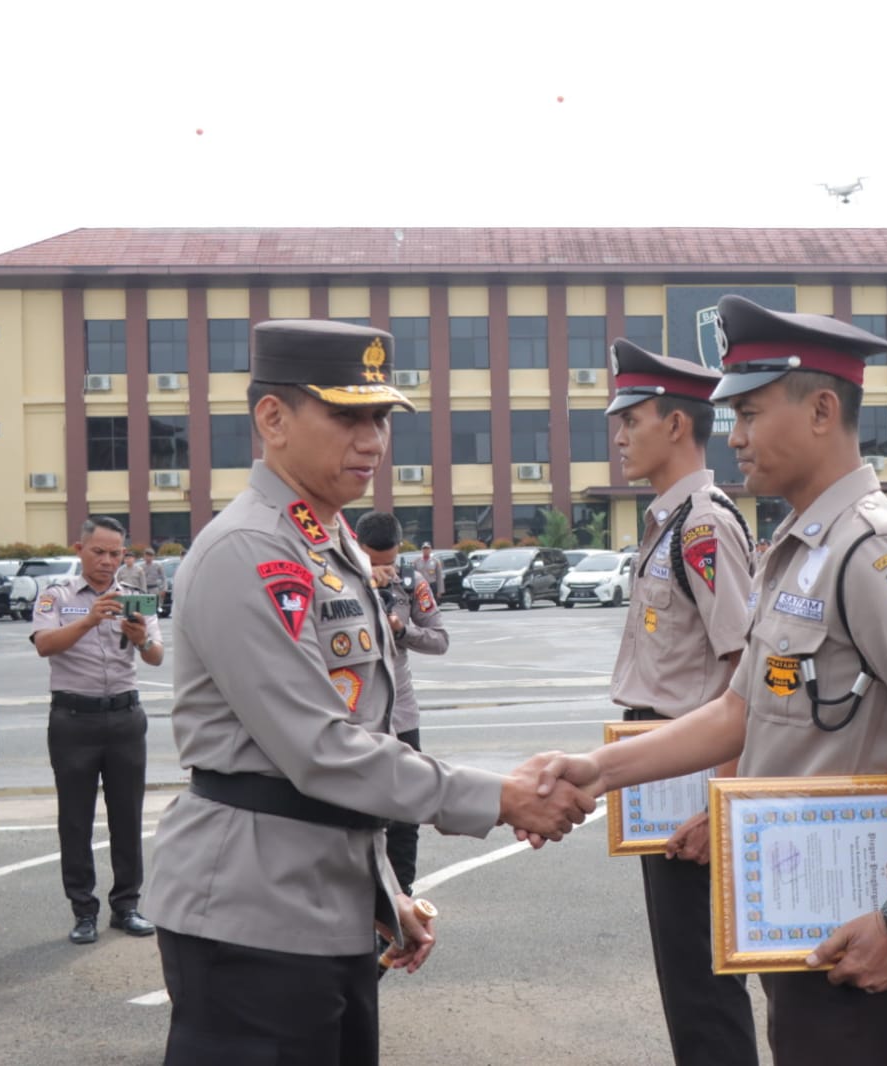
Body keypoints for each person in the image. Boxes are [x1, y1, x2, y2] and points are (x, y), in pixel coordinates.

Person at [535, 296, 887, 1066]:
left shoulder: (876, 553)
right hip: (800, 912)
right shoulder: (800, 549)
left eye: (750, 414)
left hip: (862, 918)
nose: (735, 437)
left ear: (822, 409)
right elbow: (737, 710)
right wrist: (596, 771)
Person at [141, 319, 594, 1066]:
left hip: (323, 903)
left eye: (380, 416)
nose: (373, 439)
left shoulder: (326, 539)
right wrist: (502, 797)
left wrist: (381, 892)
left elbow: (357, 746)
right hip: (251, 920)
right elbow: (320, 751)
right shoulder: (249, 550)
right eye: (347, 415)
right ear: (272, 419)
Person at [605, 336, 757, 1066]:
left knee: (699, 978)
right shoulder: (669, 521)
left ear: (674, 425)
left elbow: (744, 669)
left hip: (693, 777)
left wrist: (719, 797)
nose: (619, 435)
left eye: (630, 419)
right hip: (662, 768)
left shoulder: (702, 525)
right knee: (683, 971)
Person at [31, 515, 163, 944]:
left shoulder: (136, 598)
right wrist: (88, 620)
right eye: (99, 552)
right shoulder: (57, 597)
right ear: (79, 549)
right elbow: (44, 645)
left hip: (125, 716)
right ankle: (83, 910)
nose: (107, 561)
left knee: (127, 816)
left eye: (115, 553)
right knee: (75, 819)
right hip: (73, 718)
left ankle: (126, 905)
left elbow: (156, 657)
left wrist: (141, 637)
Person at [355, 510, 447, 897]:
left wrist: (401, 629)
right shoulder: (334, 581)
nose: (384, 570)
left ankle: (401, 899)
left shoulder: (411, 582)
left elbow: (439, 640)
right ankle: (359, 903)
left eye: (389, 561)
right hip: (353, 716)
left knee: (406, 813)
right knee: (357, 812)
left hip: (401, 714)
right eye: (375, 562)